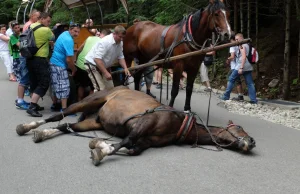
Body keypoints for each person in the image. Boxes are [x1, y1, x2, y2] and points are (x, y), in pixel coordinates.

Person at [85, 25, 131, 91]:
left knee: (110, 88)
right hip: (92, 63)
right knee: (100, 89)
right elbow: (97, 59)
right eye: (120, 37)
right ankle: (99, 101)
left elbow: (120, 56)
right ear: (114, 34)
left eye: (123, 37)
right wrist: (106, 73)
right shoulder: (105, 42)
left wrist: (125, 68)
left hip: (103, 65)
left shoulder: (120, 42)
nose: (121, 39)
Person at [26, 12, 55, 117]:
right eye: (48, 21)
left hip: (29, 58)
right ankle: (32, 106)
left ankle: (34, 103)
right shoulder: (46, 30)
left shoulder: (31, 26)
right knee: (44, 82)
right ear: (42, 19)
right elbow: (53, 37)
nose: (49, 23)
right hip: (40, 59)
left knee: (34, 81)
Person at [50, 23, 80, 111]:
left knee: (55, 84)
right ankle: (64, 109)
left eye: (78, 32)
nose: (76, 34)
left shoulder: (64, 33)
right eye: (75, 31)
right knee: (64, 86)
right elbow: (69, 60)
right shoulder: (69, 40)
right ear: (70, 29)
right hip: (59, 64)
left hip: (53, 62)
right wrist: (74, 69)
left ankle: (55, 105)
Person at [220, 33, 257, 104]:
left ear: (241, 38)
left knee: (231, 79)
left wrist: (241, 67)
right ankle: (253, 100)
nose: (236, 41)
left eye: (237, 39)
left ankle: (226, 96)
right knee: (250, 83)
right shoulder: (248, 44)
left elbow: (243, 57)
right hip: (249, 66)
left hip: (241, 66)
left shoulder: (242, 45)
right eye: (235, 39)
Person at [75, 29, 111, 100]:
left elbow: (79, 50)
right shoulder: (104, 42)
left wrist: (76, 60)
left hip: (80, 64)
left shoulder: (89, 38)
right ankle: (88, 103)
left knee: (82, 85)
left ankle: (79, 101)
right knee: (93, 87)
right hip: (90, 65)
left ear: (100, 33)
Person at [9, 22, 30, 109]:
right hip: (17, 58)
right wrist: (28, 43)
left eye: (18, 27)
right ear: (13, 29)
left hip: (22, 56)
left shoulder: (21, 34)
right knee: (21, 77)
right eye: (16, 28)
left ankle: (19, 98)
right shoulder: (12, 36)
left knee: (22, 77)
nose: (18, 29)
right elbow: (19, 45)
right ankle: (19, 99)